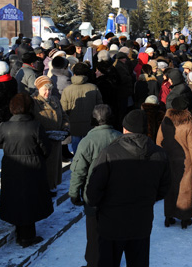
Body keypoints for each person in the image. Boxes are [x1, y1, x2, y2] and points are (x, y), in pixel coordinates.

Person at [86, 110, 170, 267]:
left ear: (124, 129)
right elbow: (163, 189)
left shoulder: (109, 153)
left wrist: (100, 206)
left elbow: (93, 191)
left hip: (111, 225)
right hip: (141, 224)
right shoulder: (160, 155)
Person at [0, 93, 53, 247]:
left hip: (12, 166)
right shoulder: (35, 126)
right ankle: (28, 236)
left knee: (16, 198)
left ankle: (20, 231)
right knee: (30, 199)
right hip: (33, 166)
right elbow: (46, 148)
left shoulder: (5, 126)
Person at [69, 105, 122, 267]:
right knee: (114, 233)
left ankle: (93, 262)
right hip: (116, 197)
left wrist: (74, 193)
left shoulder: (87, 141)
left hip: (93, 197)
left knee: (93, 234)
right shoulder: (120, 138)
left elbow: (78, 171)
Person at [156, 97, 192, 229]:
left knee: (170, 188)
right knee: (184, 189)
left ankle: (168, 216)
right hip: (186, 162)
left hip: (169, 160)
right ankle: (184, 218)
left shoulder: (165, 122)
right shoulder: (189, 124)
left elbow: (159, 141)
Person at [32, 76, 70, 196]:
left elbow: (63, 115)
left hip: (56, 139)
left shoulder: (55, 99)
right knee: (45, 165)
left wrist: (65, 126)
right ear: (38, 89)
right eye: (45, 89)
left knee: (54, 165)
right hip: (43, 140)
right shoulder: (34, 101)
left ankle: (52, 185)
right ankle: (45, 186)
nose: (47, 92)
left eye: (49, 90)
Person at [61, 62, 103, 155]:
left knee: (76, 149)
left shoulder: (67, 90)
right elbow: (100, 106)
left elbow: (64, 109)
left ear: (74, 73)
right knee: (90, 149)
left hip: (74, 124)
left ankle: (77, 166)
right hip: (90, 124)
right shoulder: (93, 88)